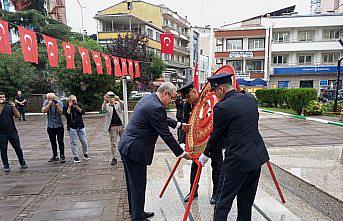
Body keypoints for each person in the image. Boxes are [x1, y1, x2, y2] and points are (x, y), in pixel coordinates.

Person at [199, 73, 270, 221]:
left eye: (215, 93)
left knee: (222, 203)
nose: (216, 97)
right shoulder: (250, 99)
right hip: (256, 159)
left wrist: (205, 154)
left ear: (221, 90)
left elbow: (216, 135)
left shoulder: (222, 107)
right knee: (245, 203)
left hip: (236, 162)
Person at [118, 82, 192, 221]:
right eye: (171, 98)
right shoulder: (155, 107)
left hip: (127, 146)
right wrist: (181, 153)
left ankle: (136, 211)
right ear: (165, 93)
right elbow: (166, 135)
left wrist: (179, 125)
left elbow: (162, 118)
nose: (171, 101)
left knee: (132, 184)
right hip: (135, 150)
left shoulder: (150, 99)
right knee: (138, 185)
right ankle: (137, 217)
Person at [177, 82, 223, 205]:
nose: (188, 100)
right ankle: (193, 190)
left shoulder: (209, 98)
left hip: (213, 139)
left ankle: (216, 193)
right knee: (195, 165)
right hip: (197, 141)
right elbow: (184, 124)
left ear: (193, 92)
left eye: (188, 97)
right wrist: (182, 142)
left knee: (217, 166)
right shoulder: (188, 106)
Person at [0, 91, 28, 172]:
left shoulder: (9, 106)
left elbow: (17, 116)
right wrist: (1, 105)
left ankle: (22, 162)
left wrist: (13, 107)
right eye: (0, 98)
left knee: (17, 147)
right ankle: (6, 165)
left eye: (3, 97)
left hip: (12, 131)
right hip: (1, 133)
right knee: (3, 149)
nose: (2, 99)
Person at [63, 95, 90, 163]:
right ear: (69, 101)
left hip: (80, 126)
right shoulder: (66, 106)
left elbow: (83, 112)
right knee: (74, 142)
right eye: (73, 100)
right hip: (72, 127)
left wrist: (76, 107)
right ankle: (75, 156)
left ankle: (85, 153)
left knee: (84, 141)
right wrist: (69, 106)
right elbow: (67, 115)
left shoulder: (79, 104)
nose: (75, 102)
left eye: (75, 100)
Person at [42, 93, 66, 163]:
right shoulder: (46, 102)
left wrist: (57, 106)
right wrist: (49, 105)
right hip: (50, 125)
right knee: (52, 141)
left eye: (52, 99)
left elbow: (62, 113)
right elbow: (43, 111)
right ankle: (55, 155)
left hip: (59, 125)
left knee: (60, 141)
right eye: (49, 98)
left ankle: (62, 155)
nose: (51, 100)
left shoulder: (59, 102)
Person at [101, 91, 124, 165]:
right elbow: (103, 110)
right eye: (109, 96)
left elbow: (124, 106)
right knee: (113, 143)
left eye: (112, 96)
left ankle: (123, 156)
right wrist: (105, 101)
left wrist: (119, 99)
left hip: (121, 126)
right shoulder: (107, 105)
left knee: (124, 142)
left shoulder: (118, 104)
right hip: (113, 127)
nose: (111, 98)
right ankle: (114, 158)